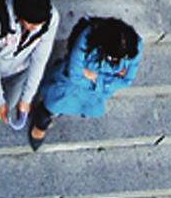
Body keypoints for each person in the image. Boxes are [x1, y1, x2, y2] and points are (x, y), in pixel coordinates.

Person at [27, 15, 142, 150]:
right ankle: (41, 122)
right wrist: (106, 79)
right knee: (53, 104)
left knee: (82, 105)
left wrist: (95, 79)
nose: (118, 61)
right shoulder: (87, 38)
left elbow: (126, 80)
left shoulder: (134, 45)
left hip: (95, 89)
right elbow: (74, 74)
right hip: (72, 84)